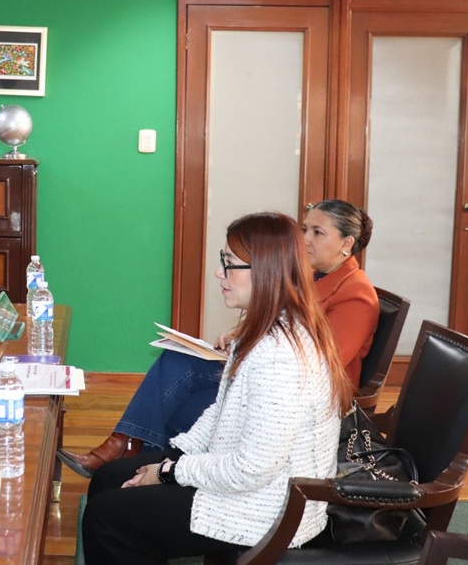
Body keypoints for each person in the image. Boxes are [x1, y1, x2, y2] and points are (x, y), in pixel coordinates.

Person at [81, 212, 353, 564]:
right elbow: (220, 413)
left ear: (265, 271)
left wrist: (168, 472)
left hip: (267, 509)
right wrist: (175, 456)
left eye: (229, 264)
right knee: (109, 477)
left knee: (107, 518)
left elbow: (252, 469)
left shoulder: (281, 356)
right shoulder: (261, 329)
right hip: (250, 486)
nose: (218, 274)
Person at [59, 199, 377, 477]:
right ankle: (129, 451)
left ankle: (136, 457)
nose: (305, 240)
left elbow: (318, 363)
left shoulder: (355, 293)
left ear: (346, 244)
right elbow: (275, 318)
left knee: (185, 401)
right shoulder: (309, 277)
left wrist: (249, 350)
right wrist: (239, 335)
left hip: (297, 400)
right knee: (178, 357)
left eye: (317, 233)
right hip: (265, 372)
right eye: (304, 229)